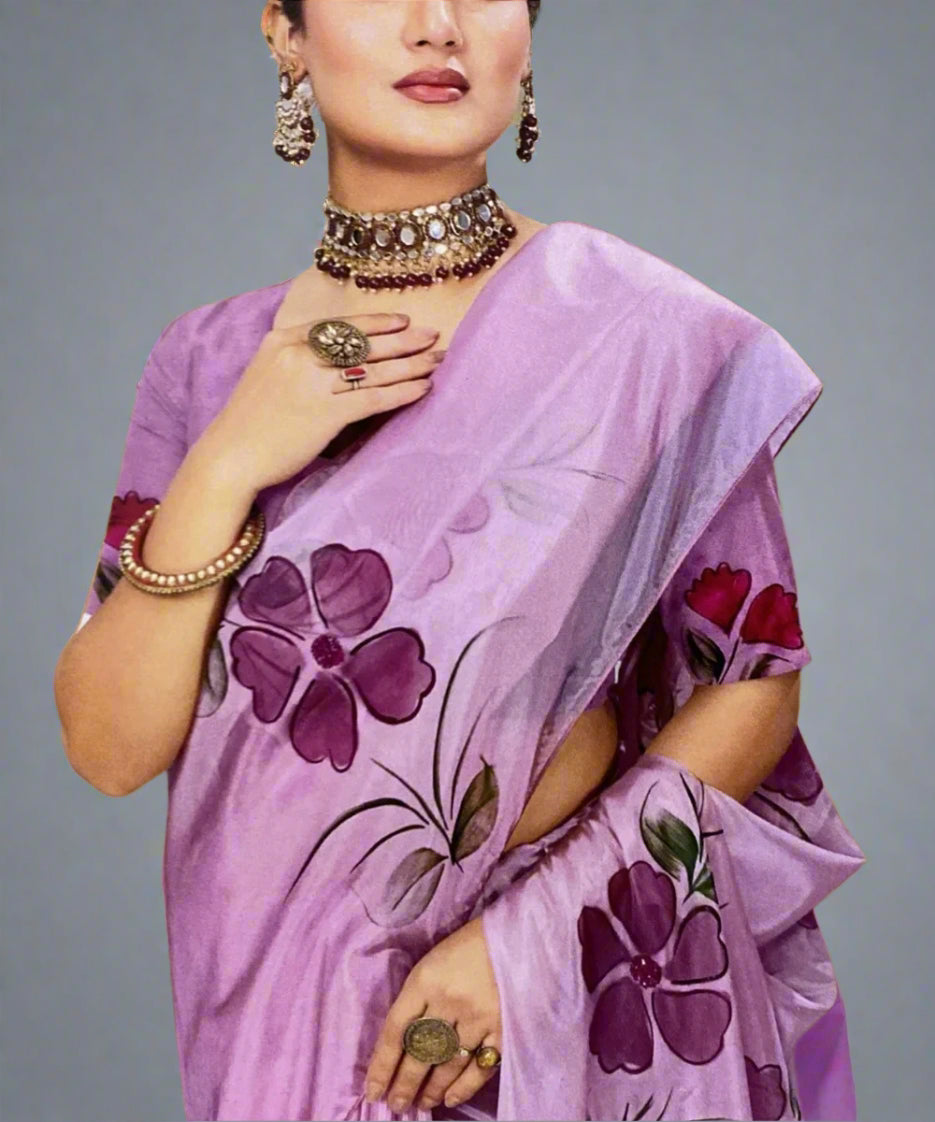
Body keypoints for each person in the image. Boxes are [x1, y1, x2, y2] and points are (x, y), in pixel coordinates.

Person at [52, 2, 866, 1119]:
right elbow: (107, 744)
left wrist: (526, 947)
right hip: (259, 1007)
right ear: (284, 34)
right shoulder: (206, 364)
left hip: (507, 1023)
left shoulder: (643, 339)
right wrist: (231, 457)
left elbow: (753, 677)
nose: (438, 25)